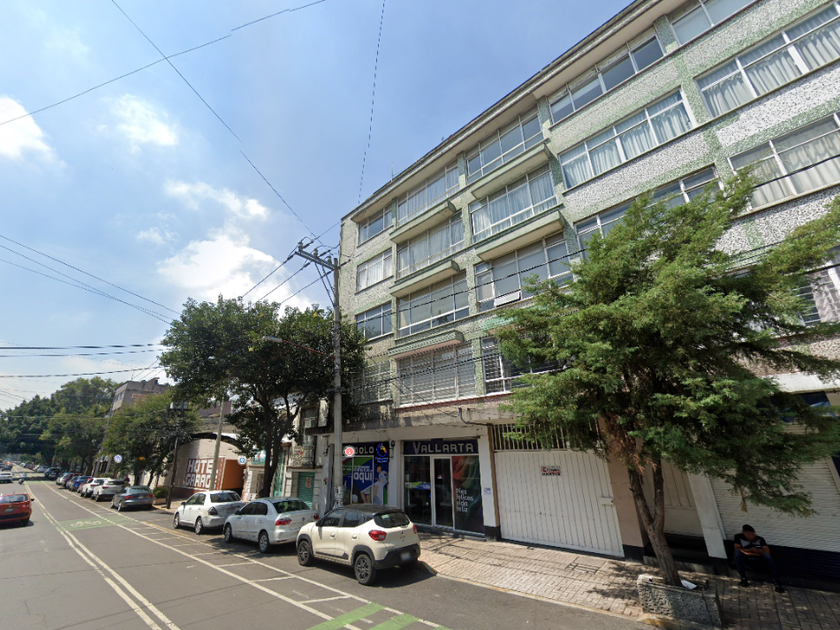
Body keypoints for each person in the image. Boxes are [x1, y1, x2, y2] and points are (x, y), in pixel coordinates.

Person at [734, 524, 785, 593]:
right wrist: (750, 551)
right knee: (737, 553)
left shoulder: (760, 539)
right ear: (743, 532)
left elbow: (767, 551)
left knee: (768, 556)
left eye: (753, 534)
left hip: (759, 557)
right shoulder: (738, 537)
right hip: (746, 557)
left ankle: (776, 581)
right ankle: (743, 578)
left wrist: (756, 552)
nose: (751, 536)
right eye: (748, 534)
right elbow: (738, 549)